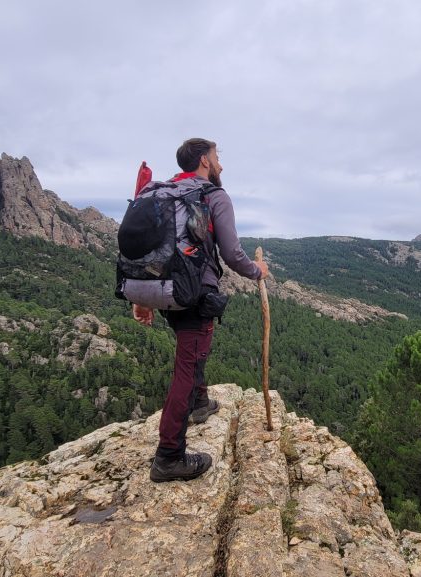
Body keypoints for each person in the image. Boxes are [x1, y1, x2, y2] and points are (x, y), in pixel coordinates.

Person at [134, 138, 269, 483]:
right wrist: (258, 271)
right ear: (205, 162)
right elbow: (233, 254)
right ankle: (168, 456)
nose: (221, 165)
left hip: (167, 291)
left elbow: (145, 251)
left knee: (194, 349)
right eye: (217, 158)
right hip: (193, 290)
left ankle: (199, 403)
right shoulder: (213, 195)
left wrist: (143, 298)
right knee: (189, 362)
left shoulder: (163, 193)